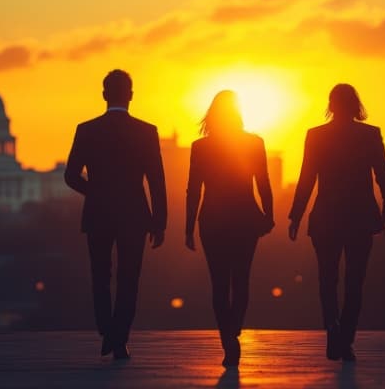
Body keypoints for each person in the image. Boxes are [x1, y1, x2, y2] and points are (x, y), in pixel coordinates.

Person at [288, 83, 385, 362]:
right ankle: (346, 337)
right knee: (355, 282)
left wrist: (295, 216)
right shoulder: (370, 134)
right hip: (361, 218)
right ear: (355, 105)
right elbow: (384, 175)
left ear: (331, 105)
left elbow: (306, 179)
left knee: (327, 279)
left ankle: (332, 329)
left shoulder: (316, 135)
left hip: (326, 217)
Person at [64, 69, 167, 360]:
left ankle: (105, 328)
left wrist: (94, 193)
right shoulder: (147, 131)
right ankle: (119, 337)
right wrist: (159, 222)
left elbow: (71, 176)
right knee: (129, 277)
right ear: (131, 96)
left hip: (98, 213)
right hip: (135, 214)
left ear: (104, 95)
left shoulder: (87, 129)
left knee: (100, 274)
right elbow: (157, 180)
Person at [185, 90, 274, 368]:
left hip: (212, 220)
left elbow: (193, 190)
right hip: (246, 219)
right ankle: (235, 326)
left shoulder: (201, 147)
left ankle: (228, 339)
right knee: (242, 278)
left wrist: (188, 228)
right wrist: (269, 215)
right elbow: (264, 182)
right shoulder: (254, 142)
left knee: (219, 283)